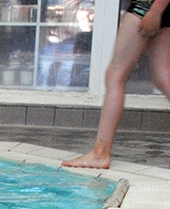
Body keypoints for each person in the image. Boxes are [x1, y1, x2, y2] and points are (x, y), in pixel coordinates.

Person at [62, 0, 170, 169]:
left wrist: (155, 11)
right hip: (155, 7)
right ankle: (99, 153)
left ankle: (100, 154)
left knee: (115, 75)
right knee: (163, 78)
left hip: (146, 6)